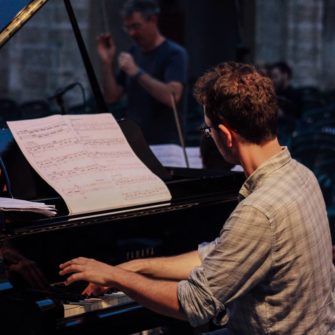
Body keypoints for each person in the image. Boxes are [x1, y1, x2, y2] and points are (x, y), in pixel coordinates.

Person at [59, 62, 335, 334]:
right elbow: (217, 256)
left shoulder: (259, 211)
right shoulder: (301, 176)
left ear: (226, 135)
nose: (209, 136)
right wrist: (137, 267)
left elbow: (193, 304)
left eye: (208, 130)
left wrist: (115, 276)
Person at [97, 0, 188, 145]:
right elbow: (111, 96)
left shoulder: (174, 53)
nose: (132, 33)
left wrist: (136, 72)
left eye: (136, 26)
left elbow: (172, 96)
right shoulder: (132, 52)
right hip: (136, 141)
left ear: (153, 20)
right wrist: (106, 63)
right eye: (128, 28)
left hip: (166, 143)